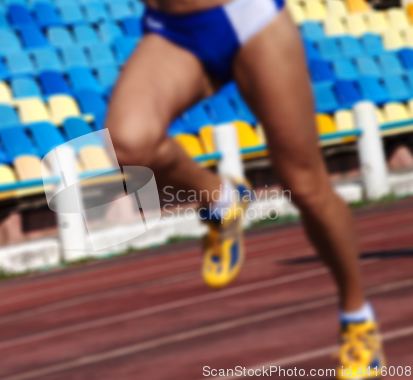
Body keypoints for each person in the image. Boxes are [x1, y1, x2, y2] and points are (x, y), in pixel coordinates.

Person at [105, 0, 385, 376]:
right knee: (129, 145)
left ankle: (357, 316)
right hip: (173, 29)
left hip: (251, 18)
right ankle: (221, 199)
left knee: (304, 186)